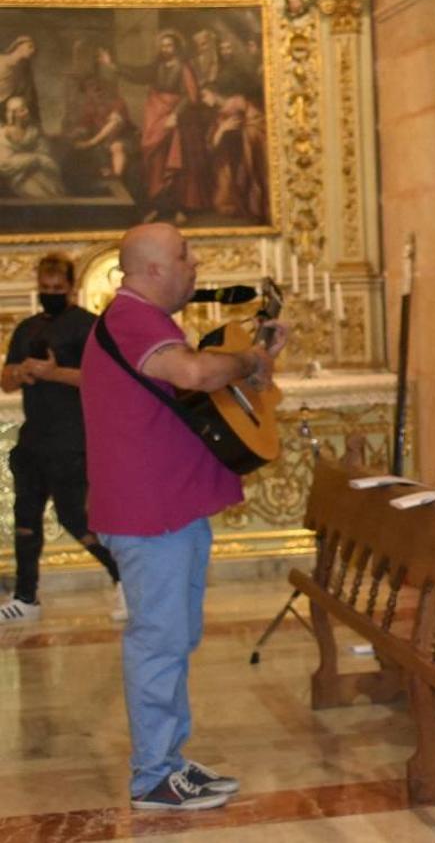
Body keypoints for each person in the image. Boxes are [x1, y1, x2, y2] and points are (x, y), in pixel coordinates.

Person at [81, 222, 287, 810]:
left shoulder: (151, 323)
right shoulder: (131, 316)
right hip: (151, 513)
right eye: (183, 255)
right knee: (158, 641)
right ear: (150, 271)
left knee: (173, 637)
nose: (195, 265)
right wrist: (247, 359)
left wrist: (256, 362)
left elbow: (200, 388)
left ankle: (167, 759)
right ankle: (152, 776)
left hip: (167, 506)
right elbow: (195, 374)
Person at [0, 254, 122, 624]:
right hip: (35, 437)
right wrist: (21, 373)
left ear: (70, 287)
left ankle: (124, 577)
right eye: (44, 288)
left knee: (75, 517)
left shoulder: (88, 326)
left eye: (57, 288)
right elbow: (5, 381)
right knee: (26, 519)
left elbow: (103, 379)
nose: (49, 294)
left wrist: (54, 373)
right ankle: (25, 596)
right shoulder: (26, 329)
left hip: (72, 438)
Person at [99, 31, 210, 223]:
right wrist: (113, 65)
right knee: (154, 160)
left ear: (176, 48)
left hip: (178, 121)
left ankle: (179, 208)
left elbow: (190, 96)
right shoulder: (157, 66)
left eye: (169, 45)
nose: (165, 49)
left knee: (175, 162)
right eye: (163, 45)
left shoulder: (184, 68)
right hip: (156, 117)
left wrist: (175, 115)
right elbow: (138, 74)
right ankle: (159, 207)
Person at [200, 83, 268, 223]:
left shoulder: (238, 104)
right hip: (228, 161)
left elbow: (254, 123)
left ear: (214, 93)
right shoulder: (218, 114)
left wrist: (244, 133)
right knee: (222, 203)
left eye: (204, 95)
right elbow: (211, 144)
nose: (203, 100)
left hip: (246, 154)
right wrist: (221, 130)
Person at [0, 95, 65, 198]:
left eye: (26, 108)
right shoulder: (3, 134)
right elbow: (4, 164)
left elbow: (45, 153)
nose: (27, 112)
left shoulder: (33, 131)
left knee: (53, 188)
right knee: (38, 191)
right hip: (18, 177)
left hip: (37, 172)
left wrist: (39, 160)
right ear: (13, 114)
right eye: (22, 110)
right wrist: (35, 159)